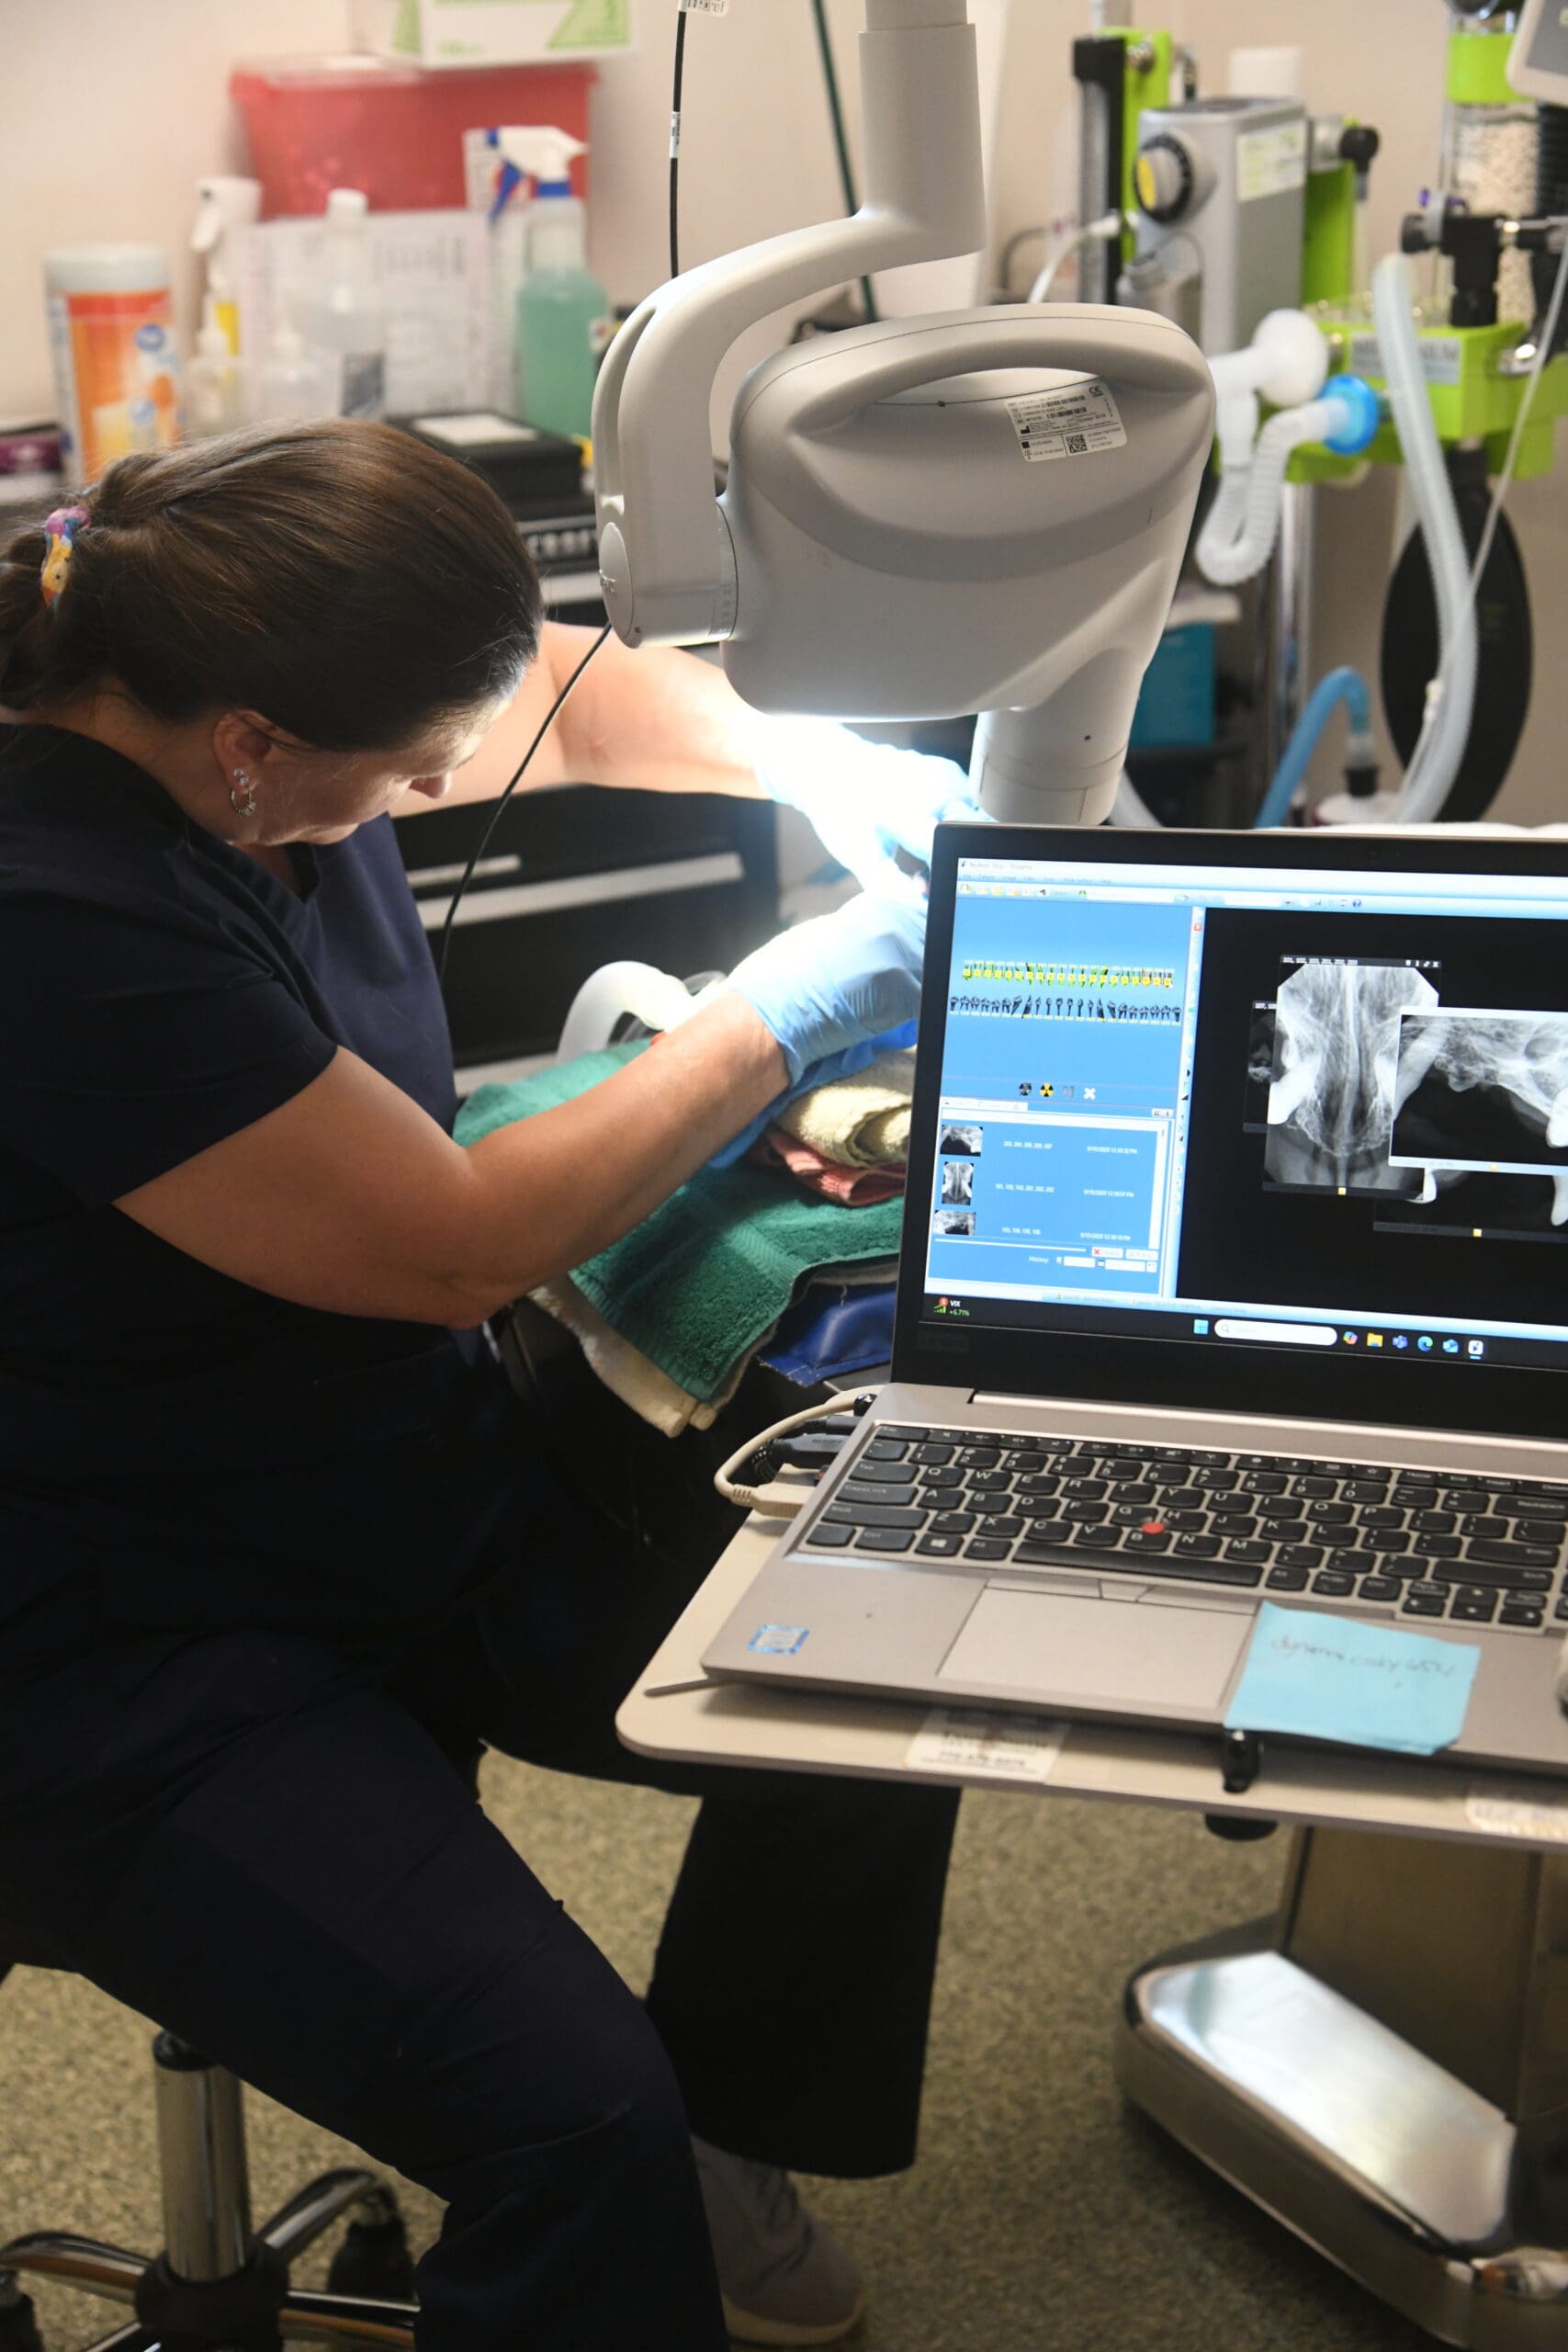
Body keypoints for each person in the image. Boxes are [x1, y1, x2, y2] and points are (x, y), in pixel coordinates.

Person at [0, 422, 983, 2352]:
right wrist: (788, 1004)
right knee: (571, 2120)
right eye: (414, 772)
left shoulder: (248, 658)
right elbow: (453, 1244)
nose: (448, 789)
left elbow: (559, 693)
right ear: (253, 749)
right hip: (128, 1640)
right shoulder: (55, 914)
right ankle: (634, 2178)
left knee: (882, 1680)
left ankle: (727, 2146)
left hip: (391, 1478)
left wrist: (819, 765)